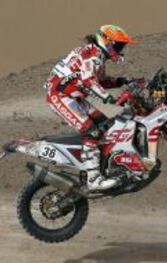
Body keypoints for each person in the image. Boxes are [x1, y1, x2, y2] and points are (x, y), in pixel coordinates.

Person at [45, 25, 136, 191]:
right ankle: (93, 178)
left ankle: (101, 166)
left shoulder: (96, 54)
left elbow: (98, 81)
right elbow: (89, 82)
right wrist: (109, 98)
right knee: (92, 131)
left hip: (73, 96)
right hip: (60, 96)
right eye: (118, 45)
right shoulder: (93, 55)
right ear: (107, 42)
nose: (120, 49)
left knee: (105, 124)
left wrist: (123, 81)